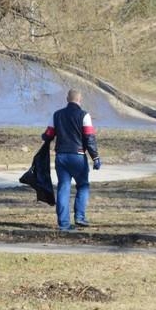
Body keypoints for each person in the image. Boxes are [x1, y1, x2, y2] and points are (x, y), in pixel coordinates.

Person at [43, 88, 100, 231]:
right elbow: (89, 138)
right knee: (83, 186)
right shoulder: (84, 115)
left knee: (63, 187)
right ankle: (80, 217)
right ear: (80, 100)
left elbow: (48, 135)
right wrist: (95, 157)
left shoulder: (56, 115)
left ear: (67, 99)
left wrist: (45, 137)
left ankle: (63, 224)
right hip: (78, 156)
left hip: (61, 156)